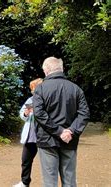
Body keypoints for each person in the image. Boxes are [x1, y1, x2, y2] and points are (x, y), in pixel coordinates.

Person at [33, 57, 90, 187]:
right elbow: (84, 113)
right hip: (69, 140)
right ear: (62, 69)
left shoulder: (40, 89)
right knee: (69, 181)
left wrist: (60, 131)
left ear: (46, 71)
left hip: (47, 140)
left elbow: (39, 114)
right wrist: (70, 131)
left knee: (49, 181)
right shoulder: (76, 89)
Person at [13, 78, 43, 187]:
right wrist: (26, 114)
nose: (33, 92)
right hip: (30, 136)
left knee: (47, 162)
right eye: (32, 90)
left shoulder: (47, 100)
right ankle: (25, 182)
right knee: (25, 160)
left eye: (34, 89)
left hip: (43, 136)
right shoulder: (30, 100)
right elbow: (22, 114)